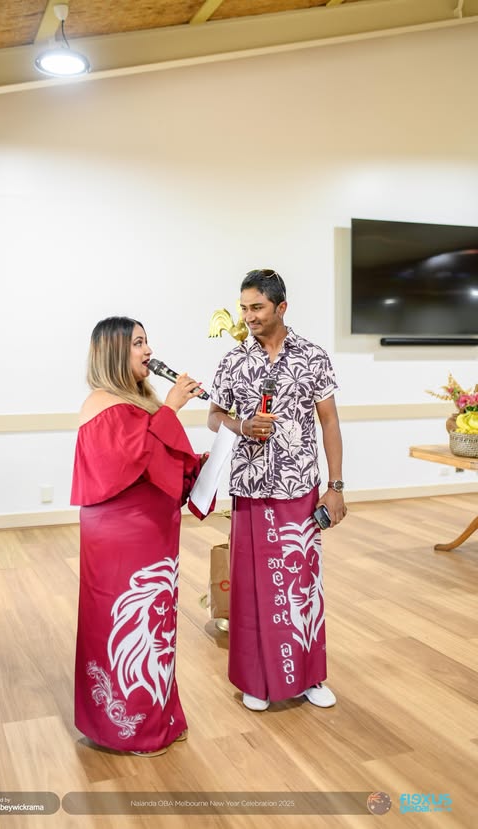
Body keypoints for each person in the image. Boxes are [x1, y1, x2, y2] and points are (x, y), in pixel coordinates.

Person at [207, 269, 346, 712]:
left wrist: (336, 486)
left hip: (299, 489)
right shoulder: (233, 361)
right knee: (249, 588)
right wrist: (241, 425)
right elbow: (214, 417)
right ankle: (255, 679)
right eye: (244, 307)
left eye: (257, 308)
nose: (248, 316)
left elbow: (329, 423)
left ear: (281, 307)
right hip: (249, 490)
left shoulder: (313, 357)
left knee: (302, 586)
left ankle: (309, 677)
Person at [71, 316, 206, 756]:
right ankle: (127, 728)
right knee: (129, 624)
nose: (148, 351)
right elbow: (130, 459)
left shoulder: (136, 400)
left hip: (149, 534)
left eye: (147, 341)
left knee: (157, 626)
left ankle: (161, 717)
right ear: (113, 352)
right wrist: (170, 408)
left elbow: (159, 455)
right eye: (138, 343)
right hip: (122, 538)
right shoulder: (101, 403)